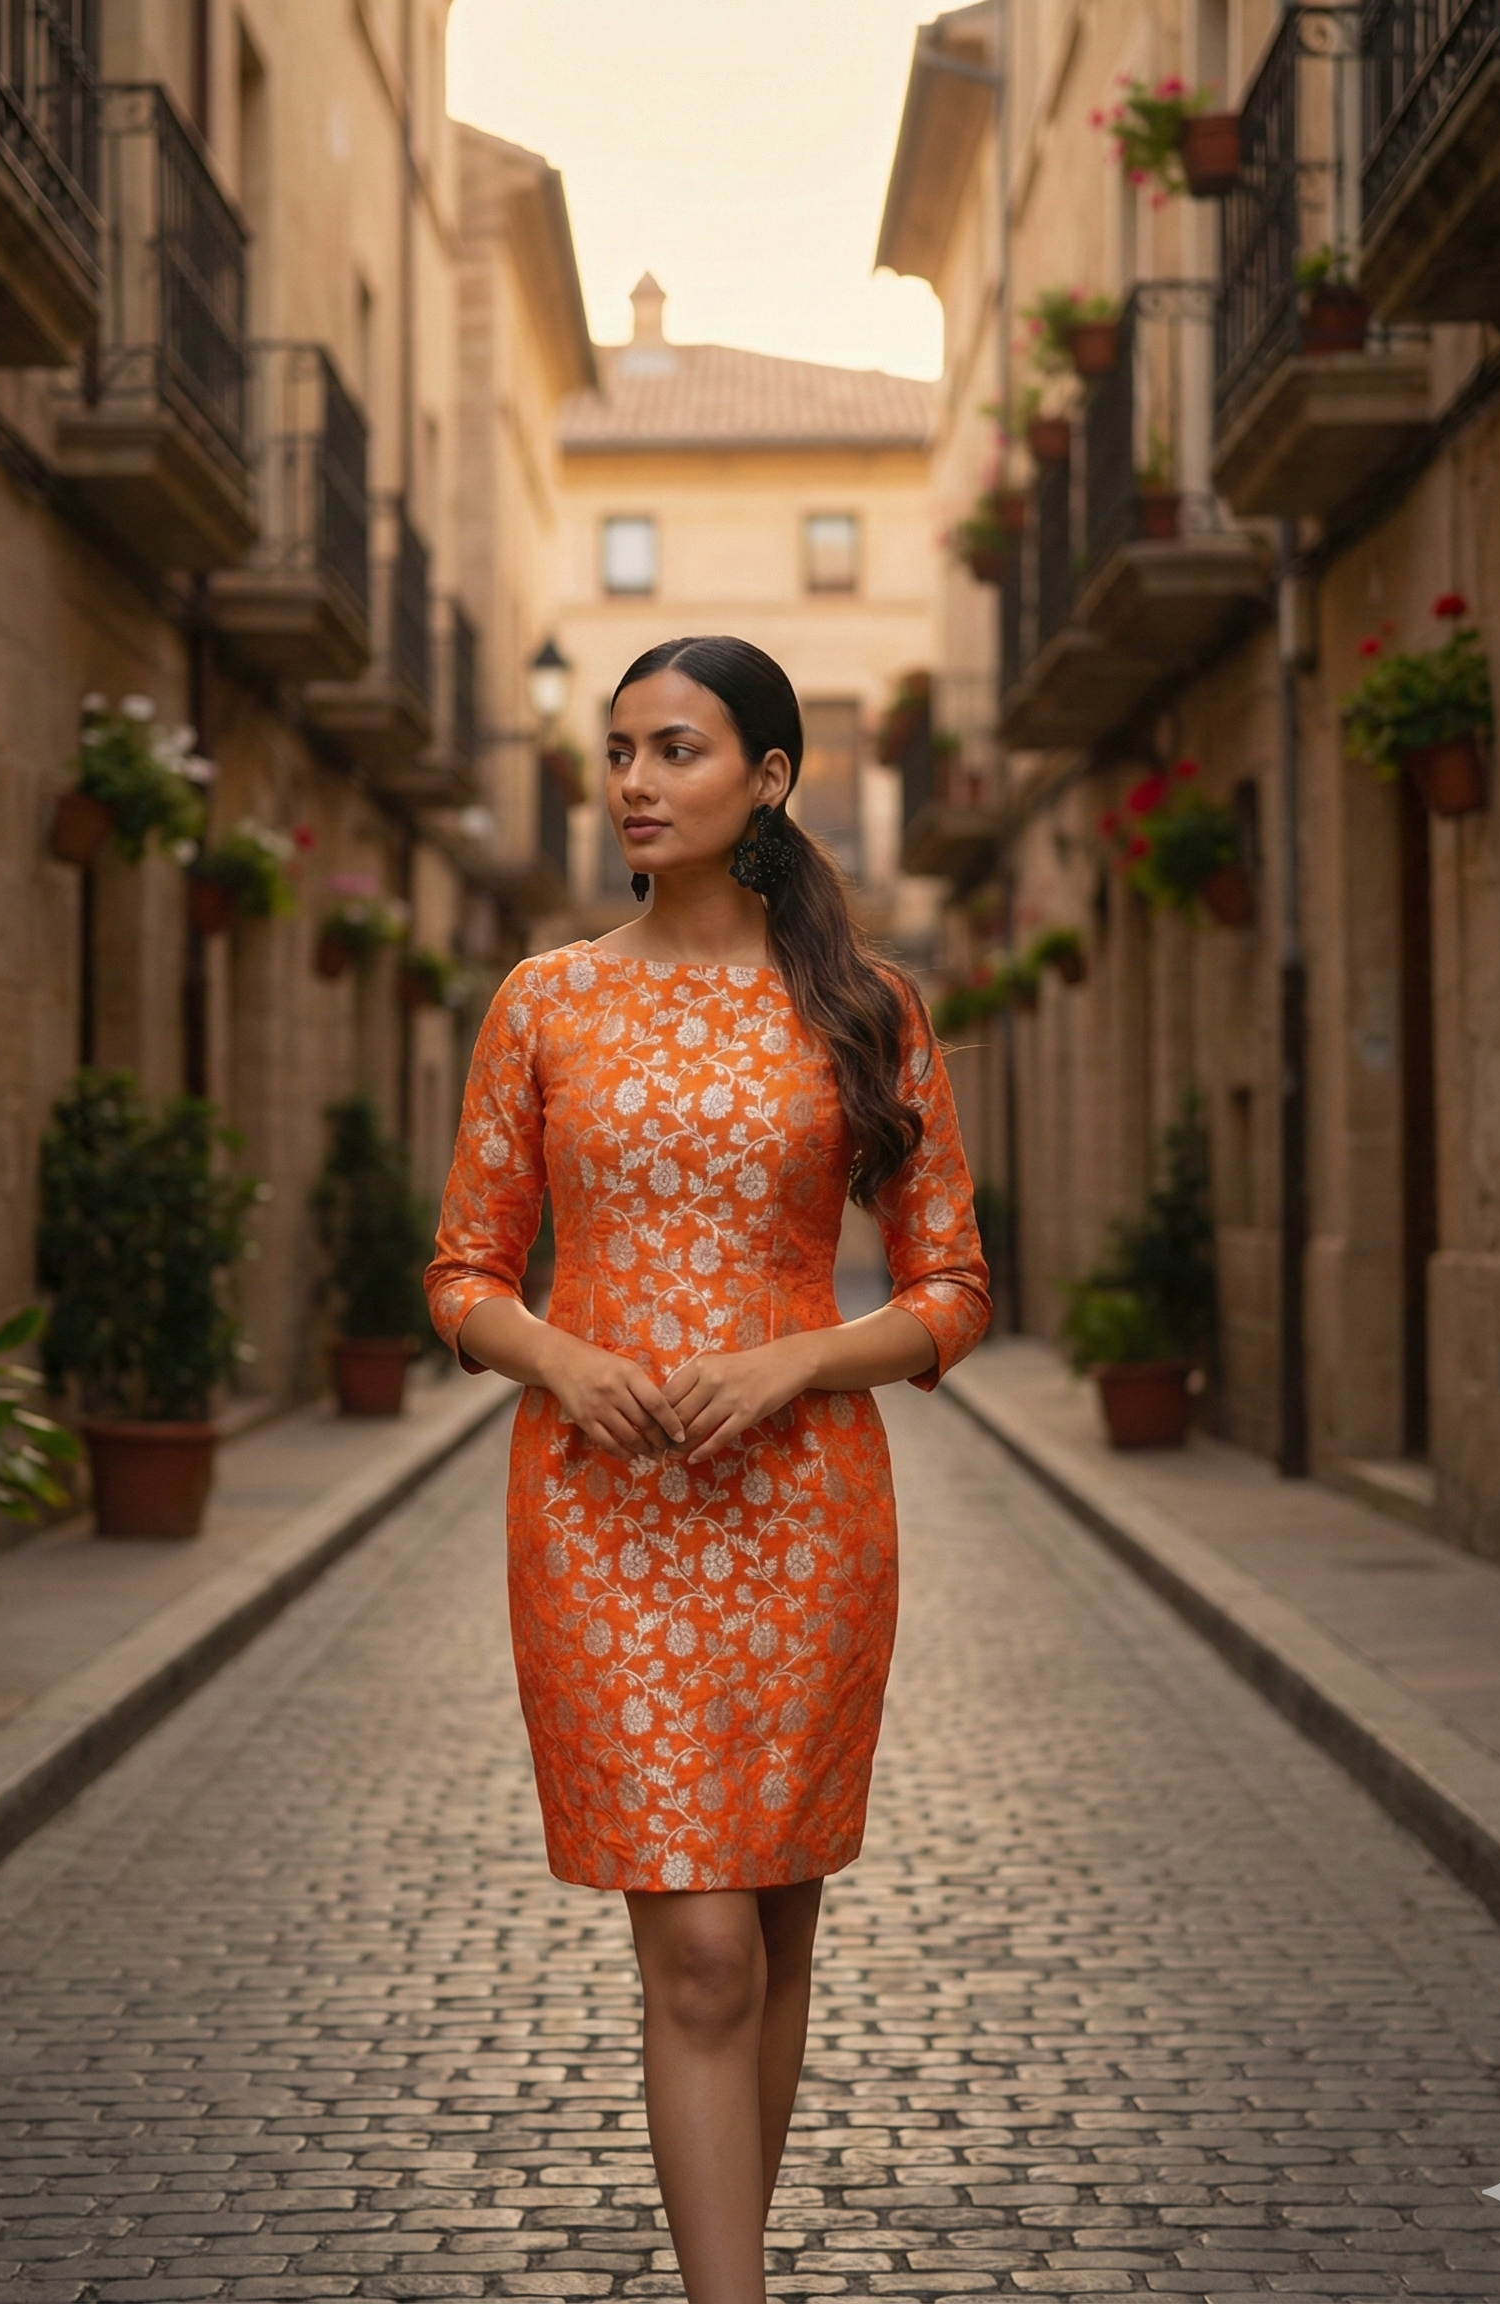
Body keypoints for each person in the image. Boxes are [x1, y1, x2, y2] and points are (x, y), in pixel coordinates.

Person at [424, 635, 991, 2304]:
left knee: (774, 1942)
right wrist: (561, 1353)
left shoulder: (866, 1010)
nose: (631, 786)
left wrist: (801, 1353)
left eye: (674, 751)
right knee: (702, 1949)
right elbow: (462, 1271)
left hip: (806, 1514)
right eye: (617, 753)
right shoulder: (547, 1000)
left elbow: (954, 1287)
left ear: (769, 779)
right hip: (600, 1519)